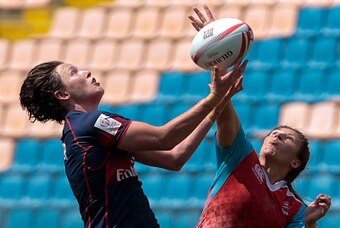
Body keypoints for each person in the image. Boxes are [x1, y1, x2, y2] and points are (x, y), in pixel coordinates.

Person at [19, 59, 246, 227]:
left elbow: (175, 158)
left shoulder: (82, 132)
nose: (86, 72)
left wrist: (216, 109)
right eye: (74, 72)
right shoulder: (90, 124)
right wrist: (213, 98)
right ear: (62, 94)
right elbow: (164, 138)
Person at [188, 5, 332, 228]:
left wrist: (310, 223)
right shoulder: (240, 156)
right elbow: (224, 114)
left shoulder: (295, 208)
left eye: (286, 138)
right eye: (275, 132)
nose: (276, 135)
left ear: (296, 162)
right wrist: (215, 44)